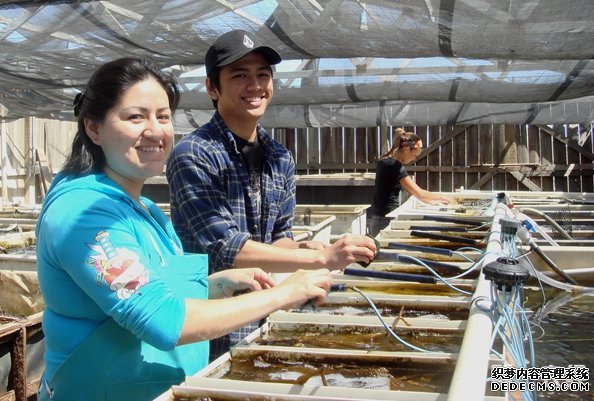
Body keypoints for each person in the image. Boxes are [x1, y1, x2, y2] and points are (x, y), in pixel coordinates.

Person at [35, 57, 333, 401]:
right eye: (135, 116)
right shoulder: (82, 215)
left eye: (162, 116)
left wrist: (218, 284)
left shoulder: (143, 210)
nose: (155, 130)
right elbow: (163, 319)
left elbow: (146, 291)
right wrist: (283, 294)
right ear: (94, 128)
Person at [166, 29, 377, 360]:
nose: (255, 86)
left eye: (262, 75)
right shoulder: (194, 153)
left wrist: (304, 248)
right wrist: (320, 258)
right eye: (239, 75)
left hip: (265, 316)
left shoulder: (280, 157)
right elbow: (225, 248)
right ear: (212, 87)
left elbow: (278, 237)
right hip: (208, 326)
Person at [368, 128, 450, 237]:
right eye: (415, 155)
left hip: (377, 218)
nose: (414, 159)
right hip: (385, 220)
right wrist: (444, 198)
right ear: (407, 149)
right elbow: (420, 194)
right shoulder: (395, 166)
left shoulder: (384, 160)